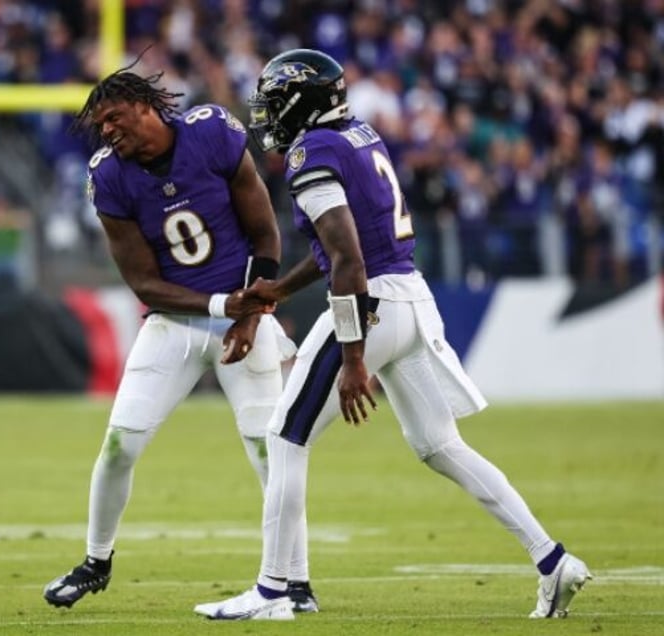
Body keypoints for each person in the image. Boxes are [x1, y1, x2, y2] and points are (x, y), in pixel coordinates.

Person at [193, 48, 592, 621]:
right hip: (411, 297)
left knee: (285, 436)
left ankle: (275, 592)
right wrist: (279, 291)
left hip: (368, 303)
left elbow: (348, 261)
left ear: (303, 101)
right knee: (440, 445)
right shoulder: (359, 135)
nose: (268, 116)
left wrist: (355, 359)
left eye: (277, 103)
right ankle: (553, 561)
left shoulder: (311, 153)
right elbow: (340, 246)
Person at [42, 56, 319, 613]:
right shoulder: (109, 177)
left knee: (272, 453)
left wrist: (247, 315)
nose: (109, 131)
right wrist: (222, 305)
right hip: (175, 324)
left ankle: (297, 584)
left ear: (146, 106)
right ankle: (96, 562)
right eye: (102, 126)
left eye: (117, 117)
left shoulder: (211, 133)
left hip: (247, 315)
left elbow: (265, 232)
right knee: (120, 444)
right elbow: (144, 283)